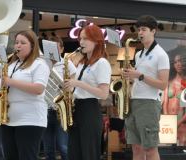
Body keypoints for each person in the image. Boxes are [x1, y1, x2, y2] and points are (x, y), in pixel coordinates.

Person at [123, 15, 170, 160]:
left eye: (144, 29)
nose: (140, 33)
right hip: (134, 102)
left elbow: (163, 84)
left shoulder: (161, 54)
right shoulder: (138, 54)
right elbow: (139, 78)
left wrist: (139, 75)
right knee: (136, 148)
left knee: (150, 148)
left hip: (149, 103)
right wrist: (131, 76)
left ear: (153, 31)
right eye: (139, 30)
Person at [0, 30, 50, 160]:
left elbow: (39, 88)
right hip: (9, 119)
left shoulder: (39, 64)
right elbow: (1, 85)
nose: (18, 46)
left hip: (30, 119)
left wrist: (11, 82)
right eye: (16, 43)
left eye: (22, 43)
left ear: (32, 46)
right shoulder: (12, 64)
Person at [64, 24, 112, 160]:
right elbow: (76, 87)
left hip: (90, 110)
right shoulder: (82, 62)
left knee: (88, 154)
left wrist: (78, 83)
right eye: (80, 39)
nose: (81, 42)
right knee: (74, 154)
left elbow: (103, 94)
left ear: (97, 41)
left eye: (85, 39)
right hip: (77, 109)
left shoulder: (102, 63)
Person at [43, 36, 76, 160]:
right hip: (45, 108)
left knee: (63, 147)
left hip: (60, 110)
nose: (52, 51)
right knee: (48, 149)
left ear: (61, 49)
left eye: (56, 48)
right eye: (49, 48)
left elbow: (72, 88)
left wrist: (65, 86)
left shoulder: (67, 64)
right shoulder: (42, 64)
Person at [163, 46, 186, 146]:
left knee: (182, 145)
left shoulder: (185, 83)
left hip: (182, 120)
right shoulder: (169, 82)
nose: (178, 64)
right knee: (168, 148)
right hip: (169, 120)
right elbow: (164, 103)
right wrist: (167, 120)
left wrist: (179, 122)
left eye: (180, 61)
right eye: (176, 62)